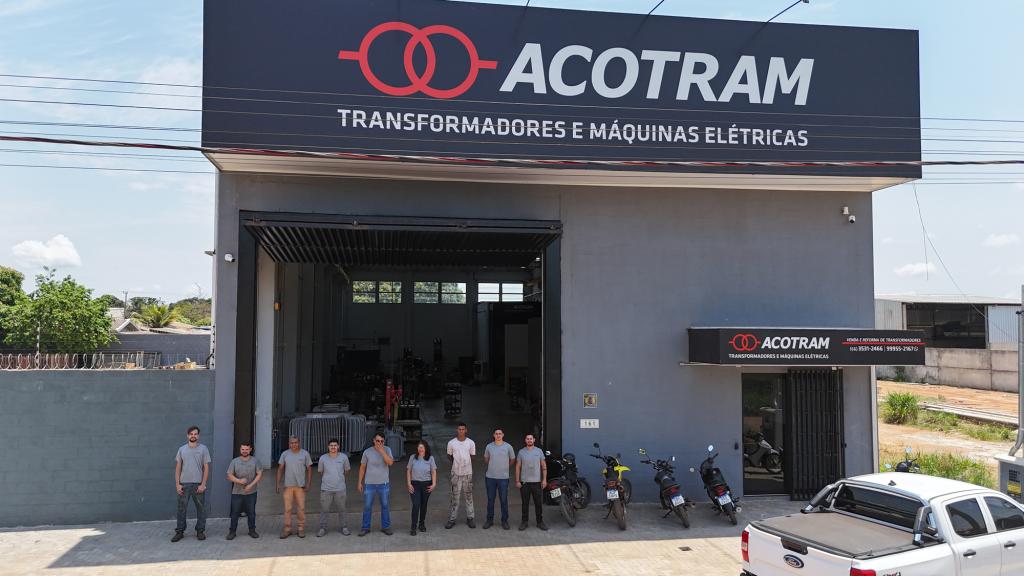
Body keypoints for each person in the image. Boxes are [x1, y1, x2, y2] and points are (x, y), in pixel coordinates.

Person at [172, 425, 211, 542]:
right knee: (181, 509)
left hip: (198, 484)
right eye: (191, 434)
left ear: (198, 436)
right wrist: (177, 484)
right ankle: (180, 531)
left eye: (195, 434)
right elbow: (178, 468)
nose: (193, 436)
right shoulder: (182, 449)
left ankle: (200, 531)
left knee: (201, 509)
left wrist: (203, 484)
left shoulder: (203, 449)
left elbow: (206, 468)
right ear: (187, 435)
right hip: (184, 484)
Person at [358, 432, 395, 536]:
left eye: (382, 441)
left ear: (384, 441)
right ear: (374, 440)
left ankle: (386, 526)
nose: (379, 443)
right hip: (369, 484)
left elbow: (390, 463)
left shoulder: (387, 450)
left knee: (385, 506)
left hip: (384, 484)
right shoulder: (367, 452)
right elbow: (362, 467)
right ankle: (365, 527)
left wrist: (382, 452)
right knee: (367, 506)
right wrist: (359, 482)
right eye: (378, 441)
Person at [276, 436, 312, 539]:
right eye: (292, 443)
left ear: (299, 443)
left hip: (300, 487)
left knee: (301, 508)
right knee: (288, 509)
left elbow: (309, 469)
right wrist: (277, 483)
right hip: (288, 486)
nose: (294, 444)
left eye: (296, 442)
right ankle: (287, 529)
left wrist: (308, 483)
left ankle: (301, 528)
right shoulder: (285, 454)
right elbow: (280, 469)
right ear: (289, 444)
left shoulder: (305, 454)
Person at [226, 440, 263, 540]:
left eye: (247, 449)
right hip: (237, 493)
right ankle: (232, 532)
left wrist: (251, 485)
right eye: (243, 449)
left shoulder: (255, 461)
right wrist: (239, 481)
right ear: (240, 449)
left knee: (251, 513)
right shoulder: (234, 461)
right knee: (234, 513)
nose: (244, 451)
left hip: (251, 492)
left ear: (250, 450)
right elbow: (229, 476)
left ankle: (252, 530)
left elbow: (259, 474)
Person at [317, 438, 352, 537]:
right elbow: (321, 472)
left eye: (335, 445)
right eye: (331, 445)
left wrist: (339, 478)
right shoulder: (323, 458)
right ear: (328, 447)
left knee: (342, 509)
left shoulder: (344, 457)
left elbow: (347, 471)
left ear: (338, 447)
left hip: (340, 489)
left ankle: (344, 527)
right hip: (326, 489)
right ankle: (322, 528)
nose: (333, 447)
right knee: (324, 509)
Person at [445, 422, 477, 529]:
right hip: (455, 474)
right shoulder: (451, 443)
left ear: (466, 430)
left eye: (463, 429)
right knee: (455, 497)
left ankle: (470, 518)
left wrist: (465, 465)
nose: (461, 431)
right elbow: (449, 456)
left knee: (469, 496)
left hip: (467, 473)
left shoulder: (471, 443)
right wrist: (456, 465)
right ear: (457, 430)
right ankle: (452, 519)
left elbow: (472, 456)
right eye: (459, 429)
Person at [483, 429, 515, 530]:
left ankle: (504, 521)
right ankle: (489, 520)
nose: (498, 435)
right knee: (490, 500)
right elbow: (486, 459)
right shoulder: (489, 446)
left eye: (500, 434)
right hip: (490, 477)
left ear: (503, 435)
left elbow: (512, 459)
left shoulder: (508, 446)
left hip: (503, 478)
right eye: (496, 434)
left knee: (504, 500)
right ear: (494, 435)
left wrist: (505, 466)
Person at [515, 433, 547, 531]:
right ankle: (524, 522)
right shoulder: (521, 452)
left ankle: (540, 522)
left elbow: (544, 466)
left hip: (536, 482)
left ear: (534, 440)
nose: (529, 440)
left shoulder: (539, 451)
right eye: (527, 439)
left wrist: (544, 479)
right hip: (524, 482)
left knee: (538, 503)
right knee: (525, 504)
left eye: (531, 439)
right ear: (525, 440)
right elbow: (518, 467)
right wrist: (517, 480)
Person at [405, 440, 437, 535]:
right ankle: (413, 526)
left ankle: (421, 524)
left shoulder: (430, 458)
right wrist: (409, 483)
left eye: (422, 447)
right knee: (416, 504)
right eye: (419, 447)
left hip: (426, 484)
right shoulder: (412, 457)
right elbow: (408, 471)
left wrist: (434, 484)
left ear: (425, 448)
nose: (420, 449)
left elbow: (433, 471)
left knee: (423, 505)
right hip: (415, 484)